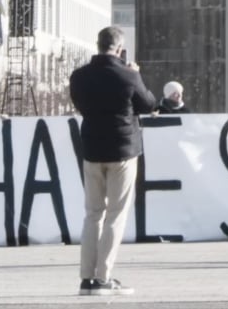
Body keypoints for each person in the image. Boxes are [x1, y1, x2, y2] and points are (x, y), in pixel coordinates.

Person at [68, 28, 157, 296]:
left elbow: (81, 106)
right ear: (119, 49)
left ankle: (87, 278)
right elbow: (148, 103)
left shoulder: (79, 76)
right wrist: (136, 74)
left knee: (93, 214)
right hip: (122, 151)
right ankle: (103, 278)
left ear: (98, 45)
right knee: (116, 215)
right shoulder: (128, 75)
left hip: (92, 150)